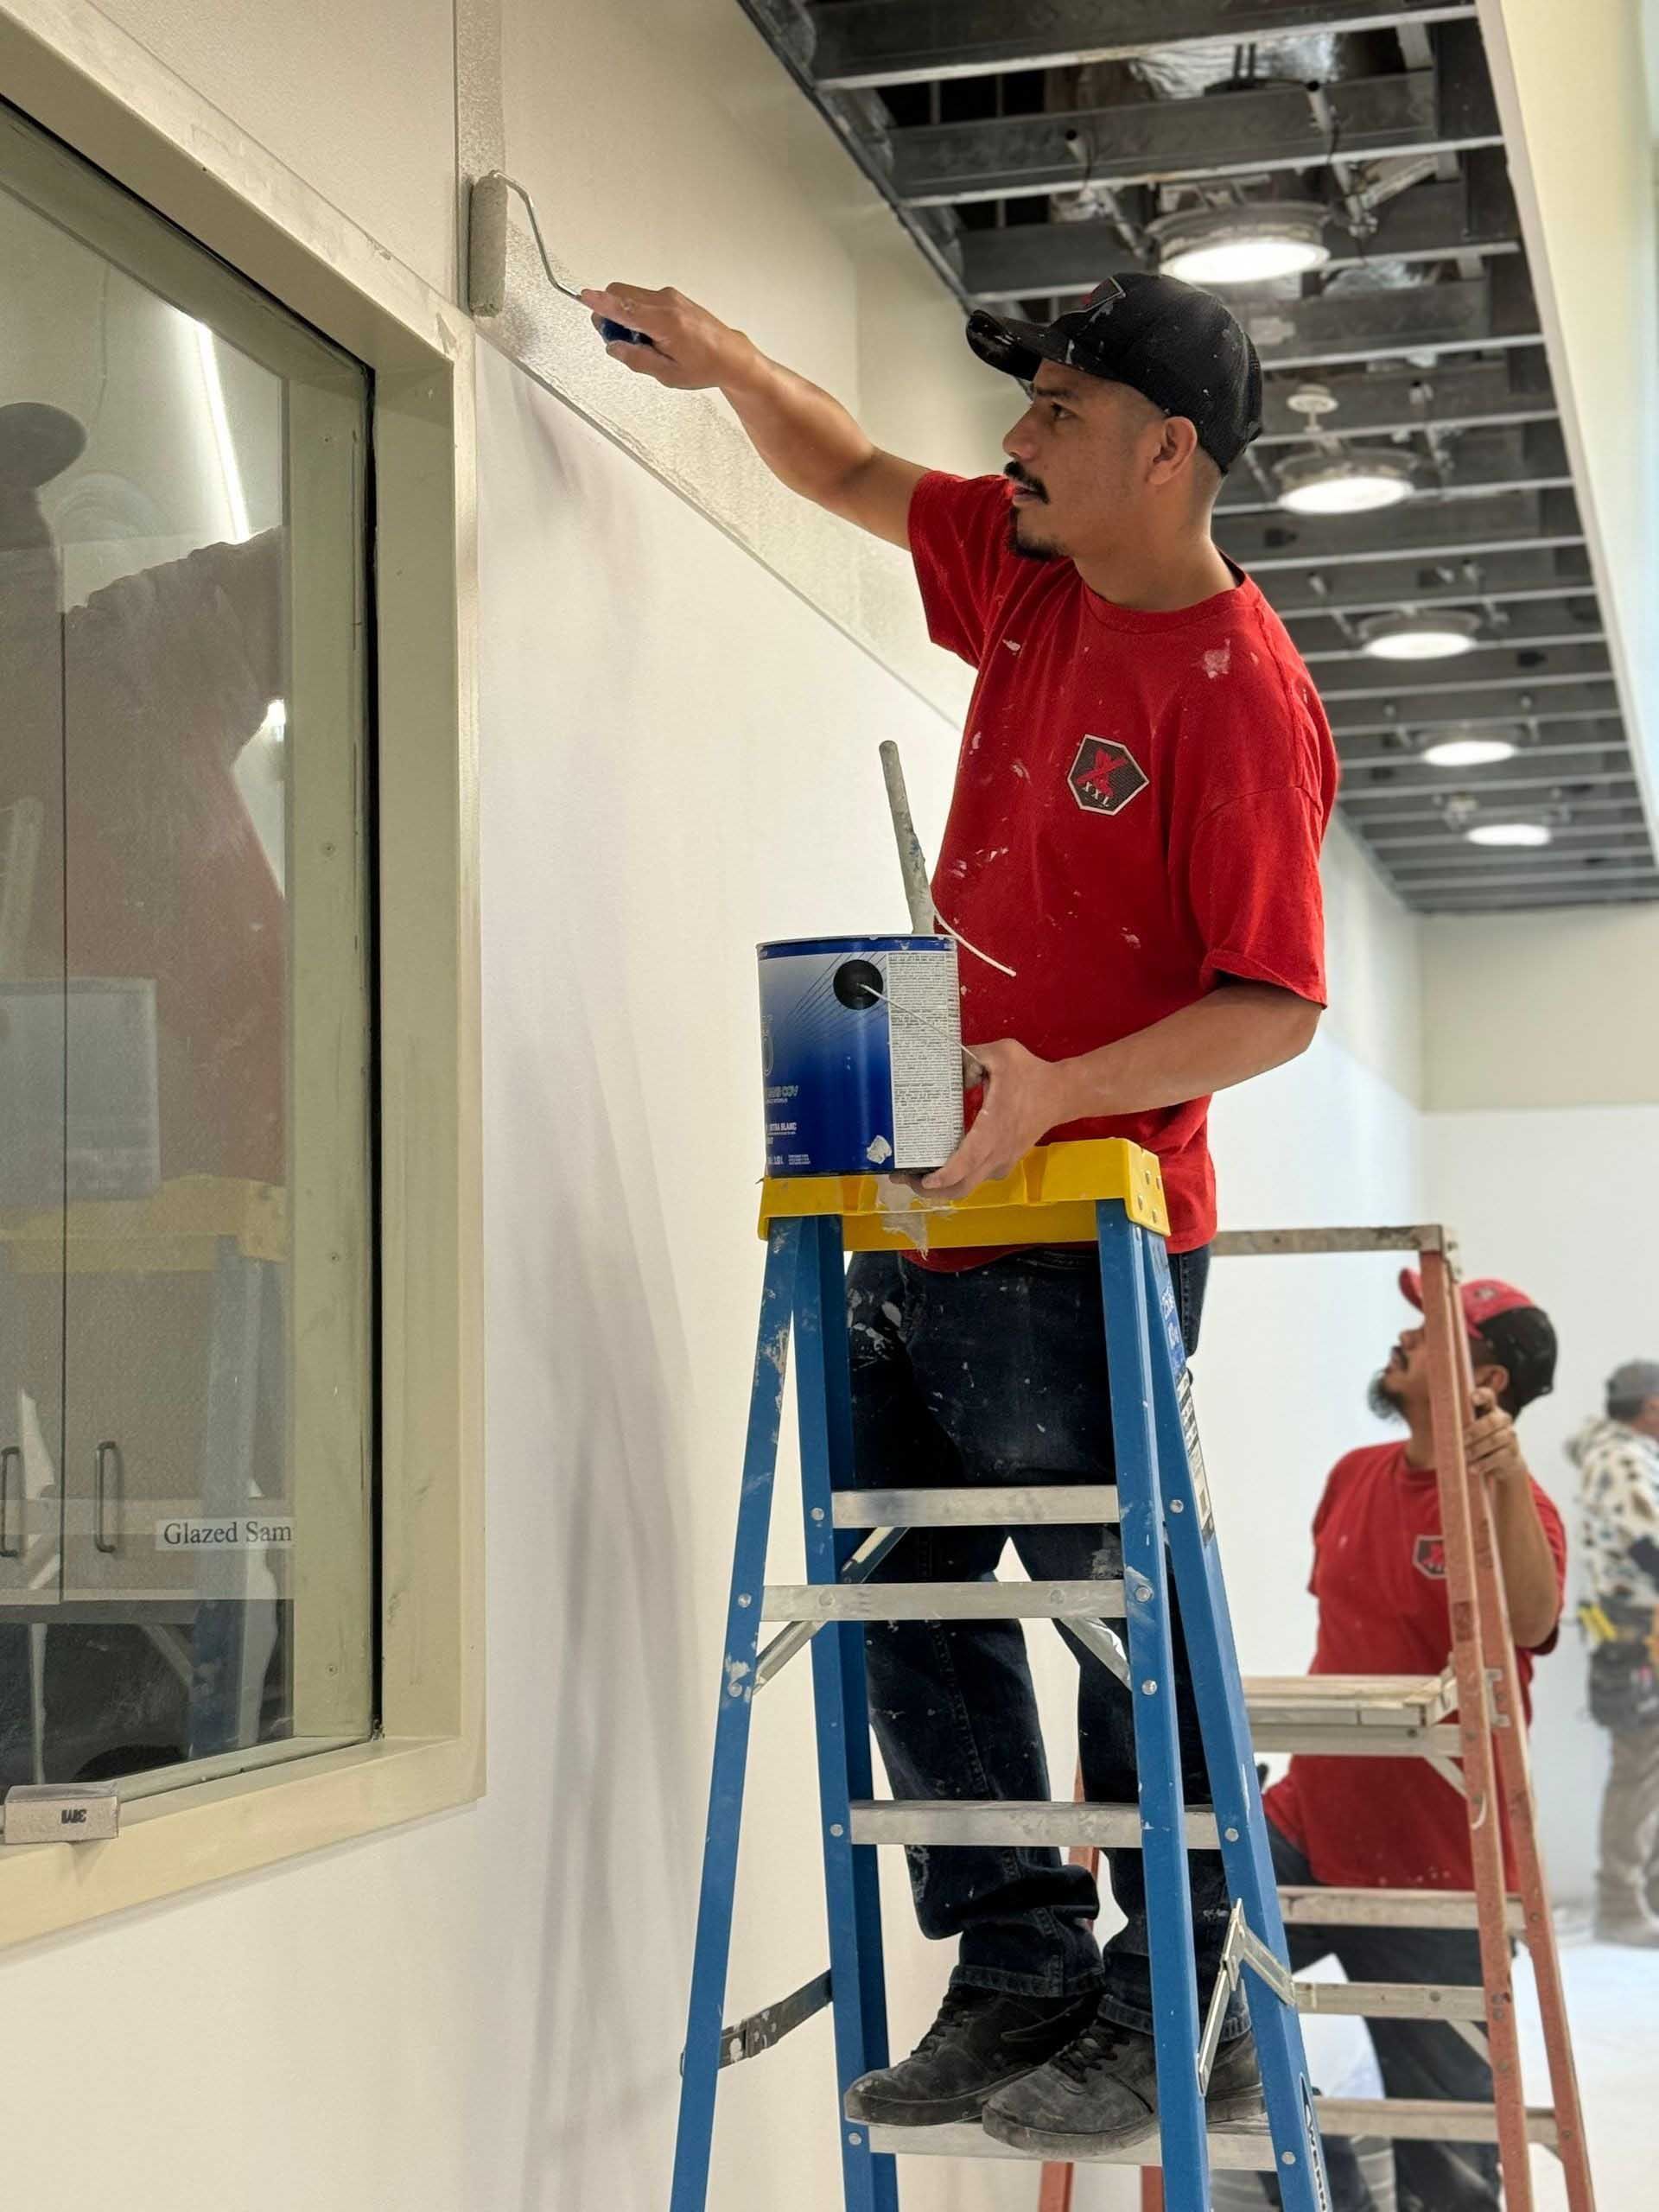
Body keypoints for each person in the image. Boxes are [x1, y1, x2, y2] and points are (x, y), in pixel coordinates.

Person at [585, 270, 1337, 2152]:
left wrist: (1063, 1091)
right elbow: (840, 463)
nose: (1017, 439)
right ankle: (1015, 1961)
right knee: (899, 1587)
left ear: (1168, 455)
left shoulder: (1240, 695)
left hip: (1094, 1219)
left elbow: (1278, 999)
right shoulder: (1028, 573)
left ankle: (1195, 1988)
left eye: (1061, 412)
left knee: (1110, 1613)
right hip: (931, 1211)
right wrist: (727, 352)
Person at [1262, 1274, 1566, 2212]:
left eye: (1431, 1328)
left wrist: (1504, 1478)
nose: (1404, 1334)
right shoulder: (1355, 1474)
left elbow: (1530, 1613)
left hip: (1441, 1874)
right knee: (1177, 1975)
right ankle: (1329, 2190)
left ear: (1489, 1377)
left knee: (1456, 2169)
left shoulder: (1518, 1507)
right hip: (1310, 1829)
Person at [1569, 1358, 1659, 1945]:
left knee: (1646, 1769)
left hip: (1635, 1633)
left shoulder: (1622, 1454)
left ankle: (1640, 1896)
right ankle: (1621, 1905)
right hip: (1635, 1638)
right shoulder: (1624, 1459)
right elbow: (1649, 1545)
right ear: (1651, 1406)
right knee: (1638, 1768)